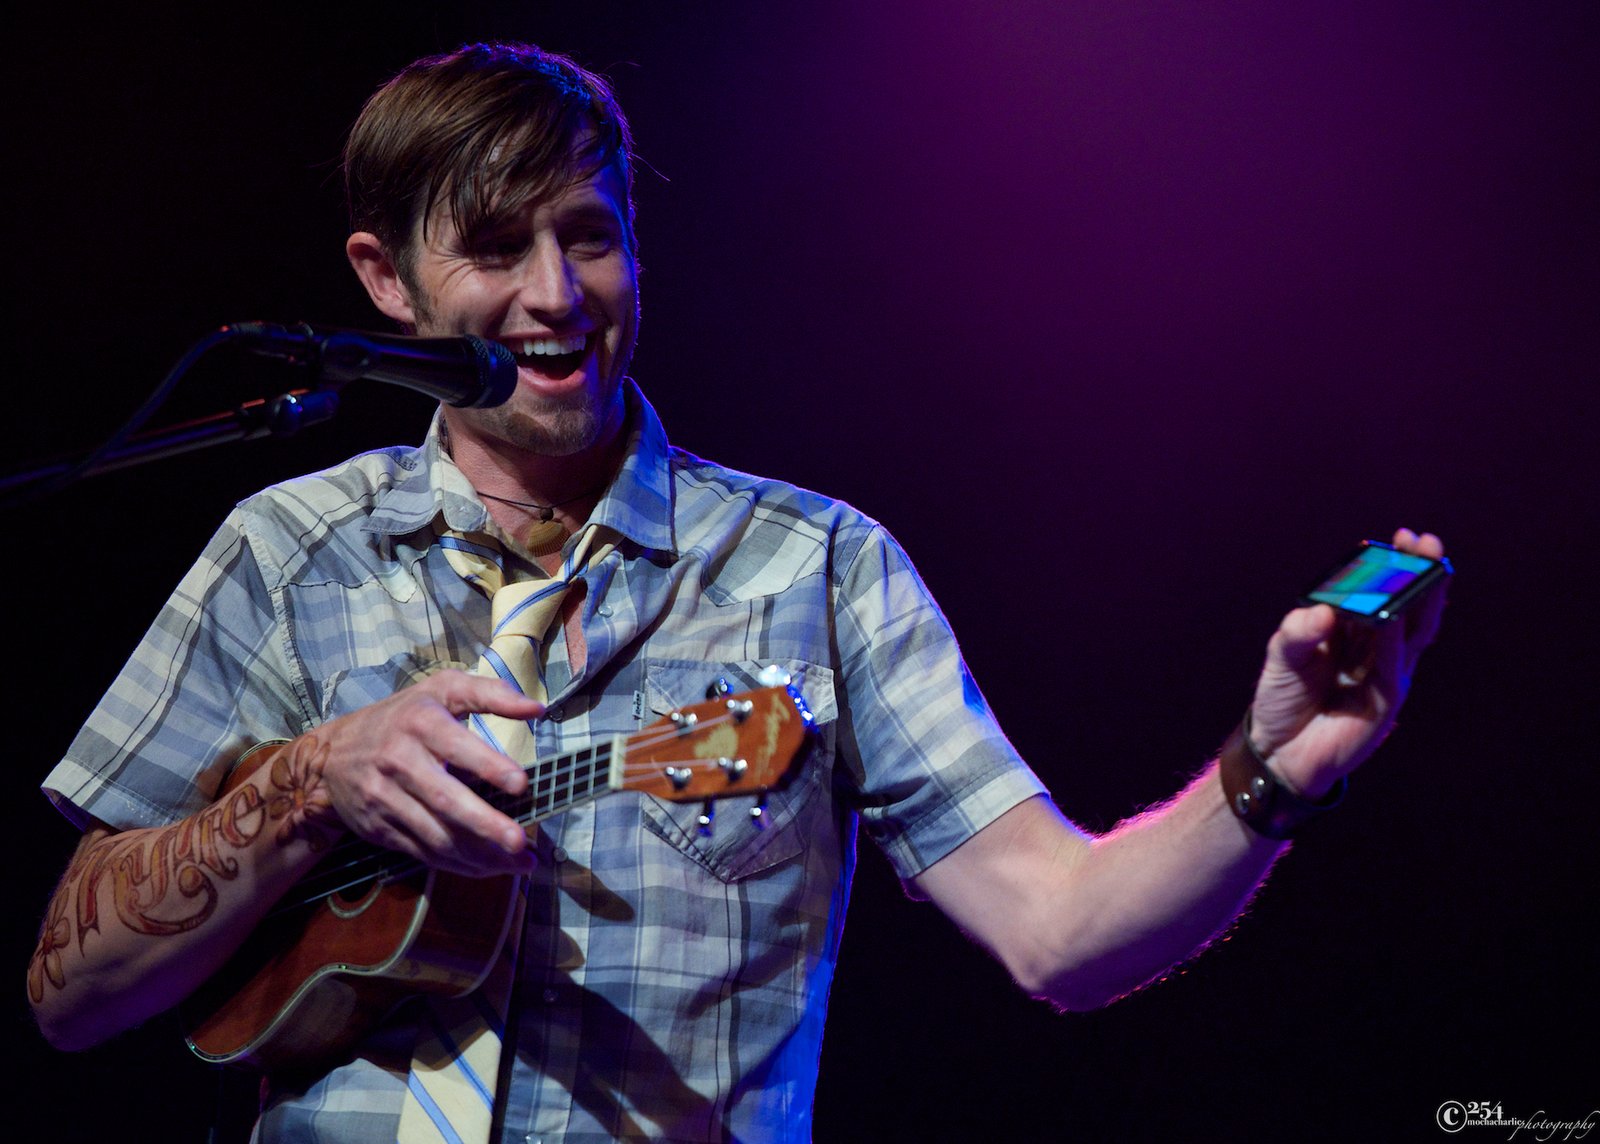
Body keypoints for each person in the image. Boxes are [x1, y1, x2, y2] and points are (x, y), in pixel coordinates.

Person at [28, 41, 1446, 1144]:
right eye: (494, 247)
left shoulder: (819, 567)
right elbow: (68, 994)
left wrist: (1269, 777)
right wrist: (311, 787)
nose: (555, 296)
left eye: (588, 233)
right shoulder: (288, 546)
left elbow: (1059, 931)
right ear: (383, 282)